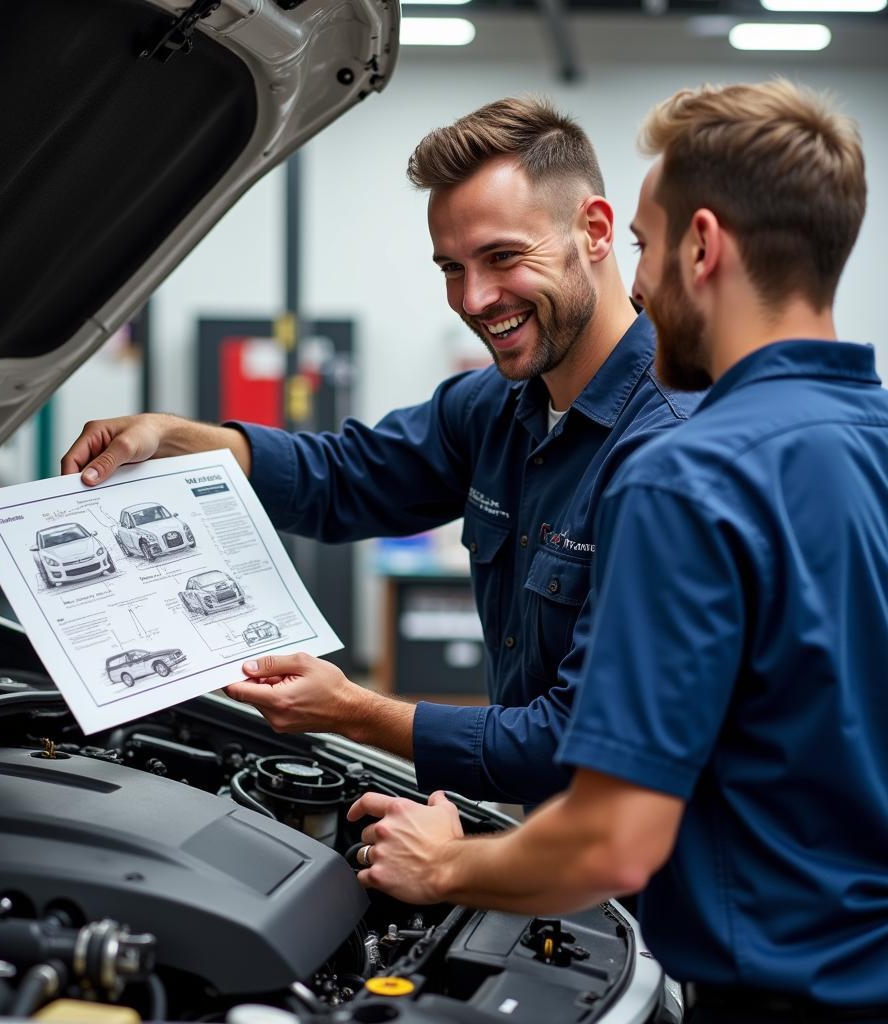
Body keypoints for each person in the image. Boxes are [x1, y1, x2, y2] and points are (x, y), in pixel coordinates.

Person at [340, 80, 888, 1020]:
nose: (632, 283)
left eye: (642, 244)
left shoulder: (686, 474)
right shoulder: (870, 435)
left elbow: (612, 842)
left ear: (703, 247)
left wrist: (445, 866)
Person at [63, 99, 699, 807]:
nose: (476, 298)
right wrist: (174, 437)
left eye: (503, 257)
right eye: (452, 267)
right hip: (561, 844)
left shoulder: (669, 450)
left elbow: (571, 744)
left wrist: (354, 712)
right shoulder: (490, 407)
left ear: (596, 231)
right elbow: (341, 477)